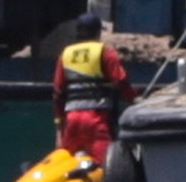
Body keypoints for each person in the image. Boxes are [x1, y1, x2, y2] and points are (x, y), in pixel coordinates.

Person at [52, 13, 134, 165]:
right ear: (98, 32)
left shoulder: (65, 55)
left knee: (67, 166)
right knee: (105, 167)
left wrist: (59, 130)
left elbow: (58, 93)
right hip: (97, 121)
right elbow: (121, 81)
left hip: (72, 121)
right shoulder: (105, 53)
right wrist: (135, 100)